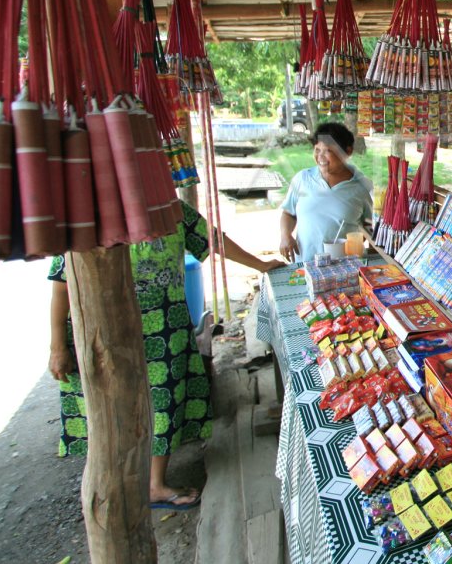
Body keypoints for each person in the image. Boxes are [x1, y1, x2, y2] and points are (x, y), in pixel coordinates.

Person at [48, 202, 283, 510]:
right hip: (105, 330)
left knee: (164, 401)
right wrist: (57, 347)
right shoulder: (86, 210)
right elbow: (62, 285)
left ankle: (154, 485)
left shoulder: (169, 207)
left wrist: (261, 265)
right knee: (109, 403)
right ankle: (113, 482)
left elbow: (212, 239)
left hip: (164, 327)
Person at [279, 122, 374, 263]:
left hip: (344, 269)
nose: (320, 157)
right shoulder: (302, 179)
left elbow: (369, 225)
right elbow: (288, 213)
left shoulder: (361, 187)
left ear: (347, 152)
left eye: (328, 151)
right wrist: (285, 235)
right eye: (317, 150)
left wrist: (355, 243)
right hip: (305, 265)